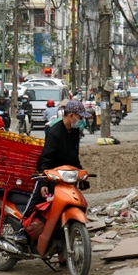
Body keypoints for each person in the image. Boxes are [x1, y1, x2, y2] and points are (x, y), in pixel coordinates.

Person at [14, 100, 92, 246]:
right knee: (37, 199)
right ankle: (22, 230)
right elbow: (45, 159)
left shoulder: (74, 132)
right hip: (51, 174)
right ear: (71, 115)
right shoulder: (54, 132)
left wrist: (81, 176)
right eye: (80, 117)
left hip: (66, 177)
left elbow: (73, 156)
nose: (81, 121)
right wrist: (44, 181)